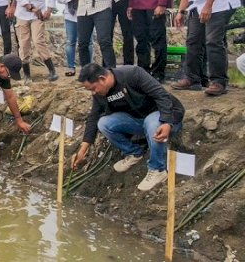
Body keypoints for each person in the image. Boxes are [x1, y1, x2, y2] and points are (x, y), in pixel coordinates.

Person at [72, 63, 185, 191]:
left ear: (102, 79)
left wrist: (166, 122)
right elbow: (93, 117)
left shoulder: (132, 74)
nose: (93, 93)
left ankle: (157, 169)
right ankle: (134, 153)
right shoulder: (99, 94)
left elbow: (161, 95)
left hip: (163, 116)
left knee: (151, 122)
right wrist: (83, 150)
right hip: (139, 120)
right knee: (103, 123)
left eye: (93, 88)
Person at [12, 0, 58, 82]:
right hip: (22, 14)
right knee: (24, 43)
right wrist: (28, 6)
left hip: (38, 15)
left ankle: (52, 71)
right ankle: (26, 74)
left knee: (38, 41)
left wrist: (49, 9)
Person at [56, 0, 93, 76]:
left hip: (86, 12)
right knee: (71, 41)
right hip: (71, 14)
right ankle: (71, 67)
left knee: (88, 42)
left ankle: (89, 67)